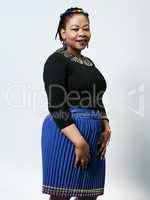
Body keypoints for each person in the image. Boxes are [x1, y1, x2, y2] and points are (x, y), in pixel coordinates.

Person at [41, 7, 111, 200]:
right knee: (61, 195)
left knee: (89, 195)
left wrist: (105, 124)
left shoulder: (88, 63)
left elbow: (96, 97)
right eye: (75, 28)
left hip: (93, 134)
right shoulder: (56, 61)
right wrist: (79, 142)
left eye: (86, 28)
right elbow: (56, 105)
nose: (82, 33)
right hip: (67, 134)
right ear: (63, 33)